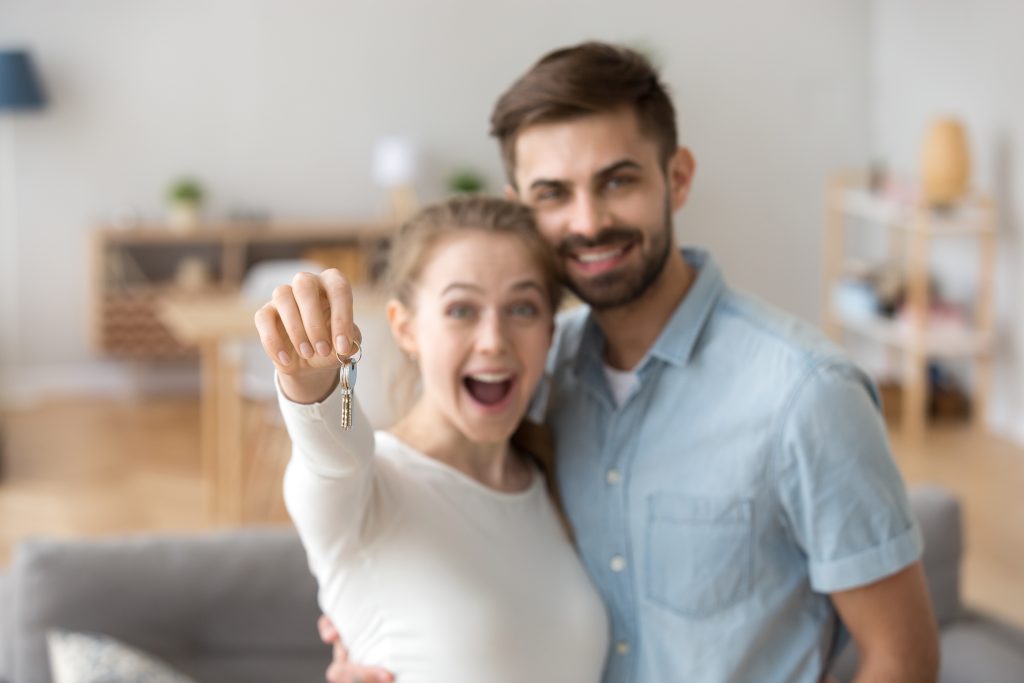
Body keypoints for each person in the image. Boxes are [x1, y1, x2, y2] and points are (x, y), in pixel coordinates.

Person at [323, 42, 940, 683]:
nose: (588, 222)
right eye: (554, 194)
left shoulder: (805, 396)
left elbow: (903, 658)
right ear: (521, 208)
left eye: (618, 181)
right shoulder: (537, 373)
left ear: (677, 177)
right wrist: (369, 637)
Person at [254, 196, 610, 683]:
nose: (493, 340)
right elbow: (332, 454)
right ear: (405, 328)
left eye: (522, 308)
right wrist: (313, 376)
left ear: (550, 331)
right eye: (461, 309)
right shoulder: (365, 489)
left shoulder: (554, 478)